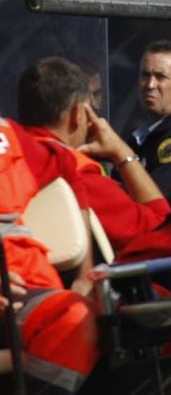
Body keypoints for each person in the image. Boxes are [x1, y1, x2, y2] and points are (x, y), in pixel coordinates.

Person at [17, 57, 171, 254]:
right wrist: (123, 153)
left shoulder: (10, 159)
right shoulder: (76, 174)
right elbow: (163, 231)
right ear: (77, 114)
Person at [0, 117, 99, 394]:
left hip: (29, 285)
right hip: (15, 293)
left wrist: (85, 272)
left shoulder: (7, 134)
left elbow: (65, 165)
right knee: (72, 320)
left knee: (146, 308)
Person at [116, 40, 171, 203]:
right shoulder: (141, 136)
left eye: (160, 77)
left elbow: (156, 199)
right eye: (145, 75)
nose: (150, 85)